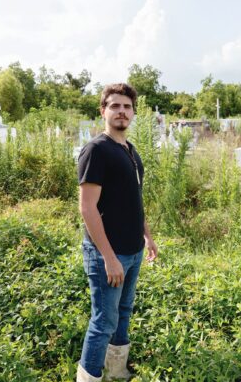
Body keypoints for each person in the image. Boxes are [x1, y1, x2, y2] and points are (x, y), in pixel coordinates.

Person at [77, 83, 158, 381]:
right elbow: (87, 208)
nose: (121, 111)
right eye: (115, 106)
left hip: (133, 250)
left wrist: (147, 236)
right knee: (104, 321)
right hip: (107, 254)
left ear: (133, 113)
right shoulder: (97, 150)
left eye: (126, 106)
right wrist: (109, 258)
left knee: (123, 312)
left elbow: (134, 199)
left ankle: (116, 371)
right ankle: (89, 378)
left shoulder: (130, 151)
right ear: (103, 111)